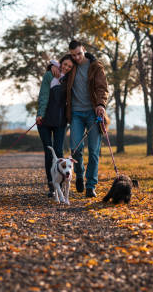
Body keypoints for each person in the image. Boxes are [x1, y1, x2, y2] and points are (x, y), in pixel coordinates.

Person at [52, 40, 108, 198]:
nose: (76, 57)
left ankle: (91, 186)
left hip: (93, 113)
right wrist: (51, 67)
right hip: (75, 113)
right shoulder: (71, 66)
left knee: (94, 151)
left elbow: (102, 88)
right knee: (75, 150)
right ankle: (79, 174)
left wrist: (101, 104)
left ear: (84, 50)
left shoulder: (95, 66)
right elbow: (57, 65)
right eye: (73, 55)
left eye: (79, 54)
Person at [36, 54, 74, 197]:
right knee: (48, 153)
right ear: (61, 63)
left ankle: (62, 182)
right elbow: (44, 95)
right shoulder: (49, 75)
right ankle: (52, 185)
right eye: (65, 64)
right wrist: (40, 114)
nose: (66, 68)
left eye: (70, 66)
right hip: (45, 120)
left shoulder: (70, 79)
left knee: (58, 151)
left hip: (60, 121)